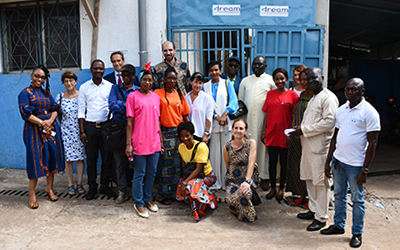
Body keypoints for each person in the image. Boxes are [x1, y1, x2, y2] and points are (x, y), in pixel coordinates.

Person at [321, 78, 380, 248]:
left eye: (355, 89)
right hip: (339, 161)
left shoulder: (369, 113)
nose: (350, 92)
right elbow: (335, 137)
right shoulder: (341, 110)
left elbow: (372, 144)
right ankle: (339, 225)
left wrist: (365, 170)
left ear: (362, 91)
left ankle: (356, 233)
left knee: (357, 199)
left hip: (356, 166)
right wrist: (329, 161)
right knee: (339, 194)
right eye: (348, 89)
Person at [292, 67, 339, 231]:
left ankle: (322, 217)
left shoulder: (328, 98)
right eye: (308, 79)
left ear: (322, 78)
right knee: (309, 179)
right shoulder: (313, 97)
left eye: (314, 79)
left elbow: (329, 122)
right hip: (308, 146)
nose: (311, 82)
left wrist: (304, 130)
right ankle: (313, 210)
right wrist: (300, 129)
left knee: (321, 183)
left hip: (320, 148)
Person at [18, 65, 65, 209]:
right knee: (35, 159)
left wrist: (50, 122)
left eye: (42, 77)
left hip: (50, 130)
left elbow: (56, 109)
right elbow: (25, 113)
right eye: (37, 76)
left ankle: (49, 188)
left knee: (51, 157)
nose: (39, 79)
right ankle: (31, 193)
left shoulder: (46, 93)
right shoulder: (25, 93)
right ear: (31, 76)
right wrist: (42, 123)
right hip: (33, 130)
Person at [126, 63, 162, 218]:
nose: (148, 83)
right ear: (139, 81)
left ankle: (148, 199)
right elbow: (129, 122)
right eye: (145, 80)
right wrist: (128, 144)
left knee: (152, 173)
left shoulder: (155, 97)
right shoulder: (133, 96)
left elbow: (158, 120)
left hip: (154, 141)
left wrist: (160, 140)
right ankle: (138, 202)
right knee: (139, 173)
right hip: (139, 141)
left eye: (150, 80)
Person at [78, 59, 116, 200]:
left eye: (101, 68)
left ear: (104, 70)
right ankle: (92, 187)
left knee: (107, 159)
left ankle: (105, 186)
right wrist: (82, 131)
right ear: (91, 69)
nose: (98, 71)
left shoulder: (110, 87)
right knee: (92, 160)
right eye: (95, 68)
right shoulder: (84, 87)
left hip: (106, 128)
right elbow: (81, 111)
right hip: (90, 128)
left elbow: (112, 107)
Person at [261, 68, 299, 202]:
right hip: (271, 133)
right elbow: (266, 113)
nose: (279, 81)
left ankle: (281, 188)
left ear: (286, 79)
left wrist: (292, 133)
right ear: (274, 80)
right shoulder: (270, 94)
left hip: (285, 135)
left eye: (282, 78)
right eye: (277, 79)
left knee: (283, 163)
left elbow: (296, 117)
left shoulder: (292, 95)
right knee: (272, 162)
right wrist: (263, 131)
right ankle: (272, 188)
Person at [238, 55, 276, 191]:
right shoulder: (245, 81)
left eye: (260, 65)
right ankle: (249, 176)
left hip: (263, 120)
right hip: (248, 120)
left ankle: (264, 177)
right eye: (254, 64)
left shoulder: (271, 80)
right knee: (248, 149)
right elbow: (241, 101)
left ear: (265, 66)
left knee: (263, 149)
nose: (257, 67)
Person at [154, 66, 190, 204]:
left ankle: (177, 194)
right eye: (169, 78)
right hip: (165, 133)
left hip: (179, 133)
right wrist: (160, 138)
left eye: (174, 78)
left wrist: (189, 134)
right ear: (164, 79)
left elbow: (185, 115)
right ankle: (162, 195)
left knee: (178, 166)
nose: (172, 81)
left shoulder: (180, 94)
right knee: (167, 165)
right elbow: (156, 117)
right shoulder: (157, 94)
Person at [203, 60, 238, 190]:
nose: (214, 72)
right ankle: (216, 182)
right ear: (209, 72)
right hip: (212, 123)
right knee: (214, 155)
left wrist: (224, 114)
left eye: (216, 70)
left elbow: (234, 102)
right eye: (211, 70)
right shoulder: (205, 86)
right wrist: (216, 116)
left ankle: (227, 182)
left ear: (221, 71)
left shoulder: (227, 83)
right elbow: (205, 105)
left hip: (226, 122)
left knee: (226, 154)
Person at [108, 64, 139, 204]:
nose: (125, 78)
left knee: (136, 162)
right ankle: (122, 190)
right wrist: (129, 106)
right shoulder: (115, 88)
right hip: (119, 130)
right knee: (119, 161)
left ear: (133, 76)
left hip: (135, 130)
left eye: (128, 75)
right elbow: (112, 105)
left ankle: (136, 190)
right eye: (123, 75)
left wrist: (122, 105)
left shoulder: (138, 90)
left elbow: (139, 109)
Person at [176, 121, 218, 221]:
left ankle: (198, 212)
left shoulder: (201, 147)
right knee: (181, 193)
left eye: (187, 135)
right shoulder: (181, 147)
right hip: (192, 176)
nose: (184, 138)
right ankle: (207, 196)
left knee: (191, 186)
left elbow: (199, 169)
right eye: (182, 136)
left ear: (192, 134)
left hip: (206, 176)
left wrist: (186, 182)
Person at [224, 119, 260, 222]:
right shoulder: (226, 147)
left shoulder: (251, 143)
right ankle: (242, 202)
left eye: (241, 128)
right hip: (233, 178)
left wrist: (247, 182)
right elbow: (228, 165)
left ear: (245, 131)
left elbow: (251, 163)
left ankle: (248, 215)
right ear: (232, 129)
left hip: (248, 176)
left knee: (244, 193)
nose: (238, 130)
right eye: (236, 128)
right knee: (230, 200)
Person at [56, 72, 86, 195]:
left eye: (71, 80)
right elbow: (58, 115)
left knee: (80, 158)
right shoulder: (60, 97)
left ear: (75, 81)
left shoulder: (81, 95)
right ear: (63, 83)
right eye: (66, 81)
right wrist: (65, 125)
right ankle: (70, 184)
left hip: (80, 131)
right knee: (68, 159)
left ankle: (79, 183)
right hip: (66, 131)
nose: (69, 83)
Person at [286, 68, 312, 207]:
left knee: (308, 168)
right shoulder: (299, 95)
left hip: (308, 137)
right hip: (296, 137)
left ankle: (310, 198)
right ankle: (301, 195)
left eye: (305, 79)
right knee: (296, 165)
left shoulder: (315, 97)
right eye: (300, 79)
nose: (302, 82)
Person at [185, 72, 214, 143]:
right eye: (196, 82)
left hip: (202, 135)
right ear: (191, 82)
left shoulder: (207, 98)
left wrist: (206, 134)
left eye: (200, 83)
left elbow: (209, 117)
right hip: (189, 135)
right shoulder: (186, 97)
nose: (198, 85)